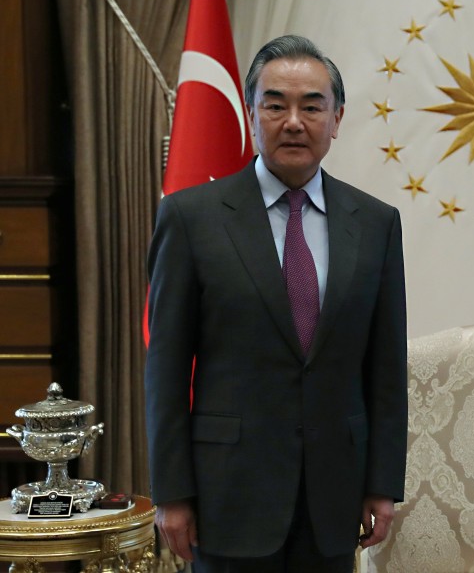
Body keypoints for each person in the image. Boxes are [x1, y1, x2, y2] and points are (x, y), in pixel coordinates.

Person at [145, 34, 407, 572]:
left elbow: (385, 369)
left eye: (312, 106)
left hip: (334, 495)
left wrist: (383, 483)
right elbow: (166, 368)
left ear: (336, 119)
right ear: (250, 113)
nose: (294, 121)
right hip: (227, 496)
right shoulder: (192, 219)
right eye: (275, 105)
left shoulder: (375, 224)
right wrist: (172, 493)